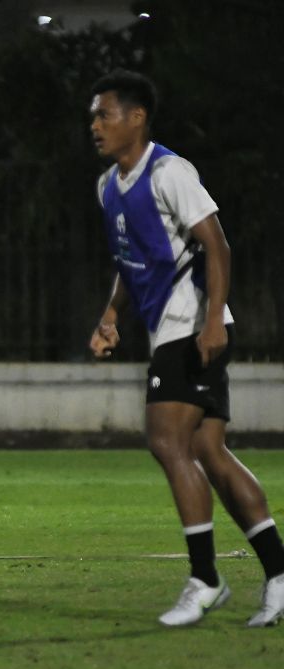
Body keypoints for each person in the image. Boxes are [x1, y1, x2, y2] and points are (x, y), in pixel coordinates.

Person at [87, 69, 283, 628]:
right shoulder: (107, 187)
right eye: (94, 116)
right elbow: (132, 262)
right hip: (170, 329)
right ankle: (280, 574)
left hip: (192, 327)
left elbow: (215, 243)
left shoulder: (170, 171)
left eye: (105, 114)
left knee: (166, 439)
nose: (95, 125)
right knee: (210, 455)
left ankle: (206, 578)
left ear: (136, 117)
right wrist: (110, 314)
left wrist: (213, 322)